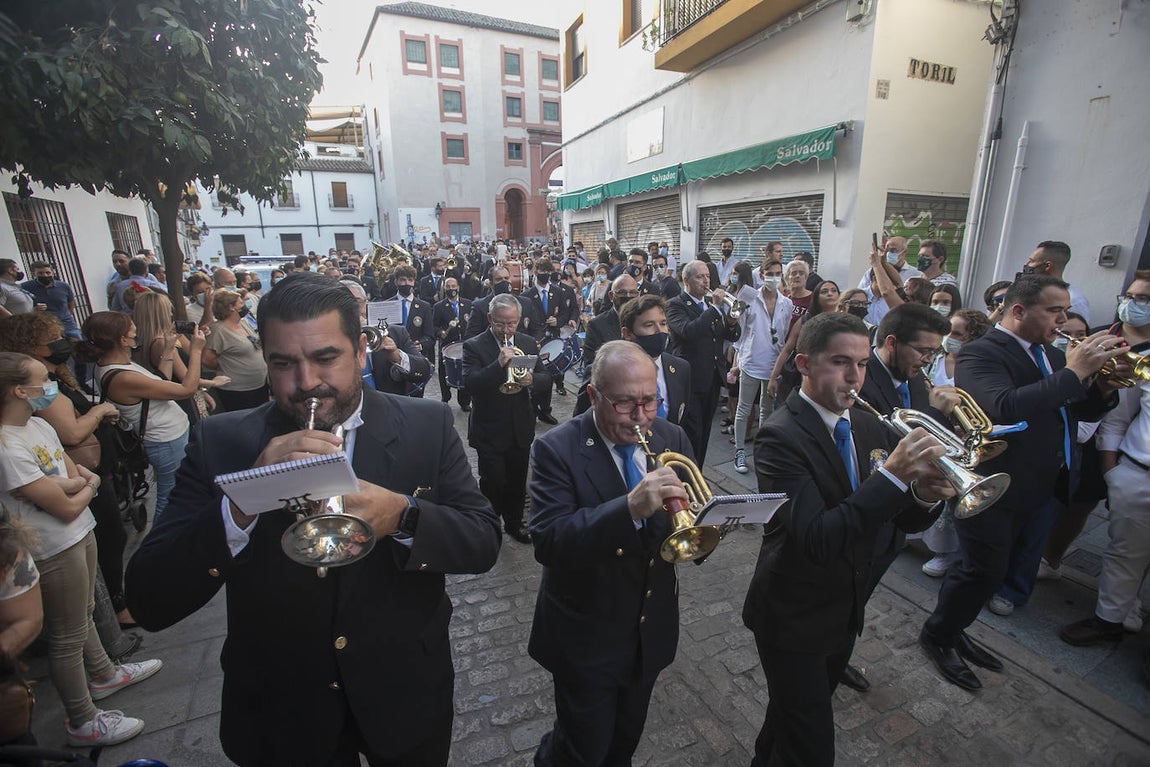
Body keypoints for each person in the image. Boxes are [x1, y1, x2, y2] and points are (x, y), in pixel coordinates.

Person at [124, 273, 500, 765]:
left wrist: (404, 516)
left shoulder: (426, 425)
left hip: (403, 692)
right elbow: (150, 599)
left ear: (362, 350)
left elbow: (483, 542)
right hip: (284, 710)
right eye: (283, 364)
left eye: (325, 358)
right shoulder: (221, 442)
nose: (306, 385)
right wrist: (244, 500)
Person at [742, 313, 951, 767]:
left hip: (843, 609)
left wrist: (922, 496)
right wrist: (894, 478)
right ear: (804, 363)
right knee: (812, 748)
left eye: (860, 362)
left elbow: (897, 520)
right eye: (840, 362)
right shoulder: (779, 437)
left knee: (788, 719)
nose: (855, 376)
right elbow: (818, 537)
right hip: (792, 617)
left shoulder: (868, 425)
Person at [920, 275, 1123, 691]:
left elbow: (1071, 408)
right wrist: (1076, 370)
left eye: (1064, 310)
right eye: (1055, 310)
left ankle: (954, 628)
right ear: (1018, 311)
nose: (1063, 319)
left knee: (995, 571)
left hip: (1039, 481)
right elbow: (1004, 409)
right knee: (980, 569)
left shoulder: (1049, 351)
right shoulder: (981, 352)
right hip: (996, 481)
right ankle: (938, 635)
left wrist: (1101, 385)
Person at [528, 340, 692, 766]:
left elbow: (683, 529)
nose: (641, 416)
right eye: (624, 404)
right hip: (586, 638)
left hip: (648, 632)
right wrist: (628, 508)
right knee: (581, 749)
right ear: (593, 395)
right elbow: (548, 539)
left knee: (623, 743)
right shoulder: (556, 448)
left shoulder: (671, 435)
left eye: (649, 400)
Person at [0, 352, 162, 748]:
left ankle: (104, 674)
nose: (51, 384)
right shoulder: (5, 447)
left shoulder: (37, 424)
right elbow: (67, 499)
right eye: (43, 380)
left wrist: (75, 487)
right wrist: (81, 488)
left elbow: (72, 477)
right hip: (52, 545)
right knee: (67, 633)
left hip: (79, 532)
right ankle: (82, 719)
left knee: (85, 614)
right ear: (20, 390)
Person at [840, 302, 957, 691]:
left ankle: (838, 654)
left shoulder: (916, 381)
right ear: (891, 342)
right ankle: (829, 657)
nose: (929, 360)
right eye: (923, 351)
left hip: (899, 518)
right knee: (842, 599)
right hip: (865, 511)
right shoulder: (859, 380)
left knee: (862, 597)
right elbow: (891, 446)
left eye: (935, 352)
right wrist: (939, 417)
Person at [1060, 290, 1150, 646]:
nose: (1133, 302)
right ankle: (1108, 619)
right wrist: (1114, 473)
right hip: (1137, 474)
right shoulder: (1145, 363)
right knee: (1124, 552)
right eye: (1130, 295)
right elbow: (1118, 418)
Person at [79, 311, 205, 524]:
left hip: (169, 437)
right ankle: (162, 548)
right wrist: (196, 351)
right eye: (132, 331)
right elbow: (186, 389)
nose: (136, 332)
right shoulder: (124, 377)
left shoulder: (113, 364)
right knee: (169, 499)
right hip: (165, 441)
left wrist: (167, 349)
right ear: (122, 340)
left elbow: (160, 381)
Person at [463, 294, 551, 545]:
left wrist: (532, 381)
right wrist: (498, 364)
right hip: (489, 427)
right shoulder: (475, 345)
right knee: (493, 482)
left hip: (520, 425)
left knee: (516, 480)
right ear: (490, 319)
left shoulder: (527, 342)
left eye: (511, 323)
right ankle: (489, 524)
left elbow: (546, 378)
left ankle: (514, 523)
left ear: (519, 321)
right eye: (500, 323)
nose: (506, 329)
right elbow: (471, 384)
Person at [667, 261, 741, 465]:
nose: (706, 281)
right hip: (690, 379)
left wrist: (732, 321)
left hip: (712, 379)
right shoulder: (676, 304)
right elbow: (688, 331)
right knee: (691, 432)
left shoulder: (708, 306)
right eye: (700, 276)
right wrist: (716, 308)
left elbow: (729, 336)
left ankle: (697, 472)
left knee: (705, 431)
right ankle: (686, 475)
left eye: (707, 276)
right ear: (686, 280)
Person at [730, 260, 792, 474]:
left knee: (767, 411)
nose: (774, 277)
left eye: (778, 273)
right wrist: (736, 362)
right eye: (769, 273)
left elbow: (783, 336)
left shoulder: (787, 303)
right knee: (744, 408)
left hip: (773, 365)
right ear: (762, 275)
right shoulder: (750, 297)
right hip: (751, 361)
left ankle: (760, 451)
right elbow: (737, 327)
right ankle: (739, 451)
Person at [618, 295, 691, 427]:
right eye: (649, 325)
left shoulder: (681, 368)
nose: (659, 331)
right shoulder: (609, 372)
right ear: (628, 333)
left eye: (663, 323)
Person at [572, 275, 638, 417]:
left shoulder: (643, 322)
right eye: (622, 293)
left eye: (632, 293)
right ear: (611, 295)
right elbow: (592, 364)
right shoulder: (597, 325)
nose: (628, 296)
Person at [201, 289, 270, 412]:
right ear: (231, 307)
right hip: (237, 389)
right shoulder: (218, 330)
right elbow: (207, 359)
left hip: (259, 384)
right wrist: (229, 365)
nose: (245, 305)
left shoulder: (244, 323)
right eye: (241, 303)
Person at [1021, 240, 1090, 324]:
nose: (1027, 264)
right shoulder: (1029, 292)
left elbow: (1076, 332)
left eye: (1031, 261)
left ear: (1047, 266)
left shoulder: (1074, 300)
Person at [859, 236, 921, 325]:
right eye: (886, 250)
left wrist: (877, 264)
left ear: (904, 252)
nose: (888, 253)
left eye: (893, 251)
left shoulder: (916, 275)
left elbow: (890, 290)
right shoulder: (871, 272)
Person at [431, 276, 472, 410]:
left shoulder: (468, 304)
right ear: (444, 288)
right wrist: (440, 332)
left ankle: (464, 402)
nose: (451, 289)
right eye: (448, 287)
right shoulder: (439, 306)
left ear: (458, 287)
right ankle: (445, 398)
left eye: (453, 286)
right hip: (447, 344)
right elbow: (434, 326)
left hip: (465, 344)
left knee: (465, 370)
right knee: (444, 371)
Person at [22, 262, 82, 340]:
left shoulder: (63, 286)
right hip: (43, 324)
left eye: (48, 272)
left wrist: (67, 315)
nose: (45, 275)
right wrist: (34, 309)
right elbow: (23, 305)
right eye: (40, 273)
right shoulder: (25, 287)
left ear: (52, 273)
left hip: (66, 323)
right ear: (33, 274)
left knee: (77, 339)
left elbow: (71, 303)